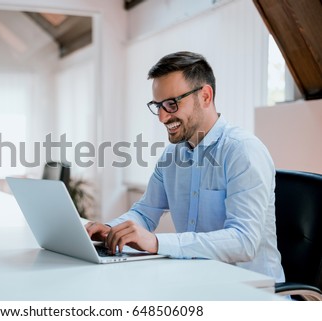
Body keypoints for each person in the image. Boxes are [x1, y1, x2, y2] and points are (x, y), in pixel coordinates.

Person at [86, 51, 285, 282]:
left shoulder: (243, 151)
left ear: (205, 97)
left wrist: (157, 242)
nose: (162, 117)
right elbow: (145, 212)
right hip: (196, 282)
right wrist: (110, 230)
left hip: (250, 294)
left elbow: (243, 242)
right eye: (157, 105)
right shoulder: (173, 155)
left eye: (171, 104)